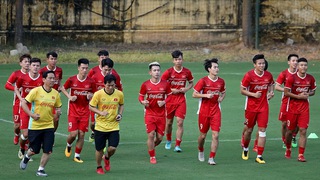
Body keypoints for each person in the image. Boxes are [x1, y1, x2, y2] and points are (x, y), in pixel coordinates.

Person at [19, 70, 62, 177]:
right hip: (35, 126)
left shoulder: (55, 94)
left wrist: (58, 113)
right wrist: (31, 115)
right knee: (34, 150)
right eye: (50, 78)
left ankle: (40, 170)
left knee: (48, 150)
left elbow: (58, 107)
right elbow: (23, 103)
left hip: (49, 126)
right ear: (43, 80)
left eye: (54, 78)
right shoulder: (35, 91)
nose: (53, 80)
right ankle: (26, 157)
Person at [60, 58, 97, 163]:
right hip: (73, 111)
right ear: (78, 68)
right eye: (82, 68)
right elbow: (62, 88)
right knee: (73, 134)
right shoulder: (72, 80)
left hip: (85, 111)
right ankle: (69, 144)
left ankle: (77, 155)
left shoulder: (91, 81)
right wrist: (69, 97)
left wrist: (91, 95)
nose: (84, 70)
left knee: (81, 134)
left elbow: (96, 94)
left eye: (86, 68)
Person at [240, 54, 274, 164]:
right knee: (249, 130)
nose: (261, 65)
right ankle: (245, 148)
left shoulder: (268, 75)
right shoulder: (249, 75)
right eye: (259, 63)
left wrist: (271, 92)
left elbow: (271, 84)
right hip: (250, 107)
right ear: (254, 64)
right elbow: (242, 90)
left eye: (263, 63)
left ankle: (259, 155)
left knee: (262, 131)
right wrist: (253, 95)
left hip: (264, 107)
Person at [192, 58, 226, 165]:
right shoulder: (203, 81)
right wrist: (205, 95)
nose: (217, 69)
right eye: (215, 67)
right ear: (209, 69)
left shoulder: (221, 81)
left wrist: (221, 98)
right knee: (202, 136)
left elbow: (223, 92)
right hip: (204, 112)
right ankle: (200, 150)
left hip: (216, 111)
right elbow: (194, 94)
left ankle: (211, 158)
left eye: (217, 67)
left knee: (215, 135)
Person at [89, 74, 124, 174]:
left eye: (112, 85)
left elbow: (121, 105)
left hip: (114, 126)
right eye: (108, 85)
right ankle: (99, 167)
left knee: (112, 148)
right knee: (99, 149)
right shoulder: (98, 94)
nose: (110, 87)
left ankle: (107, 157)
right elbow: (91, 106)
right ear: (104, 84)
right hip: (100, 127)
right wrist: (100, 113)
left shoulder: (119, 94)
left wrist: (120, 115)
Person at [139, 62, 172, 164]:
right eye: (154, 70)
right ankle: (152, 156)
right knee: (151, 135)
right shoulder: (145, 84)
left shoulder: (165, 84)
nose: (157, 72)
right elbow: (140, 96)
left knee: (160, 138)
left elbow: (170, 95)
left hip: (161, 114)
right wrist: (143, 101)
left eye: (158, 70)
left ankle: (151, 147)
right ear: (150, 72)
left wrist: (164, 102)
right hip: (149, 113)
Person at [284, 57, 316, 162]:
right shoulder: (291, 78)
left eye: (305, 65)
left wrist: (308, 94)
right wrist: (298, 97)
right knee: (289, 131)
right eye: (301, 65)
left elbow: (313, 91)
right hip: (292, 108)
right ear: (297, 66)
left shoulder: (310, 78)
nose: (303, 67)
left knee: (303, 130)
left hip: (304, 108)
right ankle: (288, 148)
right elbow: (286, 92)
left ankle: (301, 154)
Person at [161, 50, 194, 152]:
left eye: (179, 59)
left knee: (180, 123)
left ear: (182, 60)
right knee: (169, 123)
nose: (178, 61)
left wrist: (187, 89)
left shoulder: (187, 72)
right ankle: (168, 140)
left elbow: (191, 83)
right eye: (176, 59)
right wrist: (171, 90)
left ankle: (177, 145)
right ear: (173, 61)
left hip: (181, 100)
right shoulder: (168, 72)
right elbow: (161, 85)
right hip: (170, 100)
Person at [88, 50, 123, 142]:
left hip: (110, 103)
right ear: (101, 67)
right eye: (105, 70)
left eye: (109, 70)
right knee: (92, 123)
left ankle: (103, 143)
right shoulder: (94, 75)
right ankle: (94, 132)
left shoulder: (115, 76)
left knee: (108, 121)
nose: (107, 72)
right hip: (96, 103)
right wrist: (89, 93)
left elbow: (119, 88)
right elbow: (88, 85)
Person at [15, 58, 43, 160]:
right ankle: (22, 148)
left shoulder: (42, 80)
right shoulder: (23, 78)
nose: (35, 67)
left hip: (37, 109)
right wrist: (20, 98)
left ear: (40, 67)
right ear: (30, 66)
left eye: (37, 66)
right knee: (25, 133)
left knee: (34, 133)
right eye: (33, 65)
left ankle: (28, 151)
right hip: (25, 108)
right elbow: (16, 88)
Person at [4, 54, 31, 145]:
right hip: (17, 102)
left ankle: (25, 142)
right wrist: (15, 89)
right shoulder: (16, 74)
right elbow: (7, 85)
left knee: (27, 125)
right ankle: (16, 134)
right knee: (17, 125)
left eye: (29, 62)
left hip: (29, 103)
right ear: (20, 63)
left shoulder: (33, 74)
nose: (27, 63)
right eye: (25, 62)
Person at [275, 54, 299, 148]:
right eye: (293, 61)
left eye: (296, 61)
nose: (295, 62)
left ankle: (293, 136)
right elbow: (276, 86)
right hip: (286, 101)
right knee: (284, 123)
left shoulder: (300, 73)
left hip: (298, 102)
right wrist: (286, 91)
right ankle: (284, 140)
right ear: (289, 62)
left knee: (297, 123)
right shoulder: (284, 73)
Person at [39, 51, 63, 132]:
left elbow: (59, 81)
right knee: (44, 117)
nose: (53, 61)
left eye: (55, 59)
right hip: (45, 97)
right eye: (51, 59)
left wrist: (60, 87)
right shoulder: (42, 71)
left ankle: (51, 134)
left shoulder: (59, 70)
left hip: (55, 97)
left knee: (56, 118)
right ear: (47, 60)